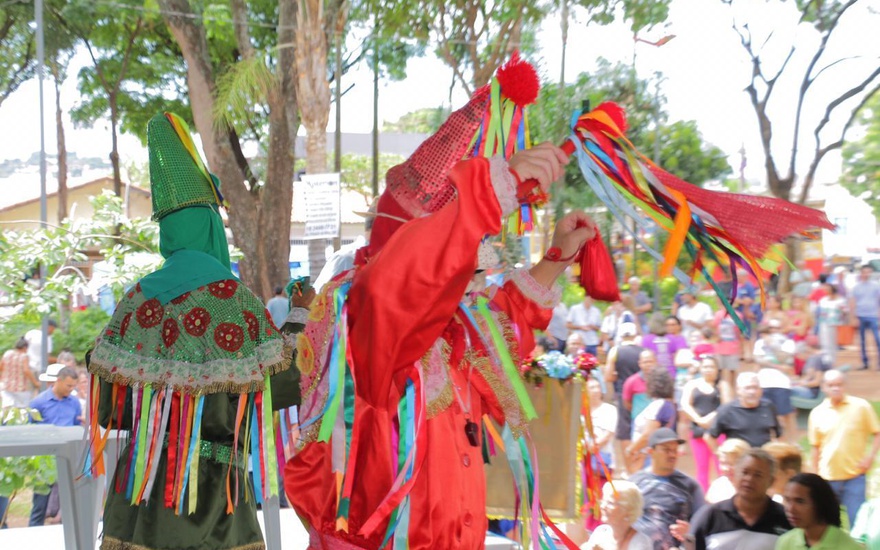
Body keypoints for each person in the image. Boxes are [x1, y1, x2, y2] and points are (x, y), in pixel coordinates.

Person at [284, 69, 597, 546]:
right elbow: (404, 283)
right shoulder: (363, 314)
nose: (469, 263)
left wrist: (555, 259)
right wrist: (493, 189)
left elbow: (504, 323)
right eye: (461, 247)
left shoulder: (454, 328)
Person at [85, 112, 301, 550]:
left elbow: (107, 407)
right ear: (209, 227)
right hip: (215, 504)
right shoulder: (235, 301)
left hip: (140, 499)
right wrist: (297, 318)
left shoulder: (136, 301)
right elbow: (280, 388)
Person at [808, 369, 880, 527]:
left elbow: (877, 433)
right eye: (831, 385)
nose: (835, 388)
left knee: (859, 524)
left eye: (839, 384)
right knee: (828, 526)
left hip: (854, 477)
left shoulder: (861, 407)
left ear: (845, 386)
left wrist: (870, 458)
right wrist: (814, 476)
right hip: (827, 478)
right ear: (824, 387)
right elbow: (815, 447)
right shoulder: (817, 413)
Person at [687, 448, 791, 550]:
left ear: (771, 481)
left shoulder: (785, 519)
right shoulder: (710, 516)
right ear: (734, 475)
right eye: (745, 472)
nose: (749, 479)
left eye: (758, 475)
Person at [629, 428, 704, 550]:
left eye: (675, 450)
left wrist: (689, 531)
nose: (672, 455)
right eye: (666, 450)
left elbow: (703, 525)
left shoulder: (690, 486)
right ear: (651, 451)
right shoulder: (634, 483)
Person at [27, 364, 81, 527]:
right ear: (58, 381)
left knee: (69, 505)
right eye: (69, 385)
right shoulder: (38, 402)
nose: (71, 389)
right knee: (40, 505)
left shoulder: (74, 403)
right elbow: (31, 430)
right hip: (45, 461)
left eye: (74, 386)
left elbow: (75, 425)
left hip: (68, 458)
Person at [680, 356, 733, 492]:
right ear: (700, 368)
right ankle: (703, 500)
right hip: (698, 431)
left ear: (717, 369)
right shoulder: (692, 385)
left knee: (722, 465)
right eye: (705, 367)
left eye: (711, 367)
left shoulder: (722, 385)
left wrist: (711, 418)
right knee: (702, 468)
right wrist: (699, 420)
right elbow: (685, 405)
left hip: (718, 432)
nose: (708, 370)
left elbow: (727, 405)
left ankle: (725, 495)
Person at [776, 472, 862, 549]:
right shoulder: (786, 541)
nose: (790, 509)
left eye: (800, 501)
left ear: (819, 503)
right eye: (787, 500)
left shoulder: (849, 547)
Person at [706, 372, 782, 450]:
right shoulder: (727, 410)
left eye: (755, 387)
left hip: (764, 459)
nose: (752, 392)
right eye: (747, 388)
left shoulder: (768, 407)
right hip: (739, 460)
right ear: (738, 390)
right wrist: (721, 455)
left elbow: (780, 434)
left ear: (761, 390)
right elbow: (709, 437)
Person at [583, 376, 619, 531]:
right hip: (584, 458)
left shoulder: (609, 410)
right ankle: (588, 526)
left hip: (602, 459)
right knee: (587, 493)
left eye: (598, 387)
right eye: (592, 388)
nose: (596, 391)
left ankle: (601, 526)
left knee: (602, 492)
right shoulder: (581, 411)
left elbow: (609, 433)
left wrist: (594, 445)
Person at [627, 369, 677, 473]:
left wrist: (631, 450)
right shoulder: (669, 405)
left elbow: (648, 435)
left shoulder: (658, 405)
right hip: (653, 453)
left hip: (646, 455)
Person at [753, 322, 796, 441]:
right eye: (771, 328)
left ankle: (789, 441)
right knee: (764, 414)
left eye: (777, 328)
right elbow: (758, 360)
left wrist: (773, 345)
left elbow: (785, 358)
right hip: (764, 382)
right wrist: (778, 366)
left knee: (784, 415)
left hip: (781, 383)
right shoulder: (759, 343)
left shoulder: (788, 343)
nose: (773, 331)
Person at [581, 481, 652, 550]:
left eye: (610, 503)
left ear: (627, 509)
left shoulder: (640, 542)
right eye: (603, 501)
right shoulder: (601, 532)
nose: (603, 506)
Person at [620, 348, 656, 473]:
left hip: (657, 424)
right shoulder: (631, 381)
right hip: (639, 426)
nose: (648, 364)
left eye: (651, 361)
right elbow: (627, 402)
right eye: (645, 362)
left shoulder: (660, 381)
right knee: (639, 454)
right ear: (639, 363)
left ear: (655, 362)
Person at [849, 264, 880, 370]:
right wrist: (853, 317)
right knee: (861, 341)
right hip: (860, 315)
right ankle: (864, 362)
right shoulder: (856, 287)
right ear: (861, 273)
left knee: (877, 339)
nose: (867, 274)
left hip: (873, 316)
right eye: (865, 272)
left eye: (869, 272)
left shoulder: (876, 286)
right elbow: (853, 302)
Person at [641, 313, 688, 380]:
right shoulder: (672, 338)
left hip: (653, 374)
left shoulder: (646, 339)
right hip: (671, 374)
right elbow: (678, 356)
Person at [705, 438, 752, 504]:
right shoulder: (719, 484)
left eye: (732, 464)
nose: (726, 468)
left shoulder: (753, 486)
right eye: (722, 463)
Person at [0, 337, 39, 407]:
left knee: (7, 409)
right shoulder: (24, 356)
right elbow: (26, 370)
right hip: (21, 388)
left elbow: (1, 367)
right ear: (25, 347)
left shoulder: (7, 354)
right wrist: (35, 383)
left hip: (6, 387)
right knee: (23, 409)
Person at [816, 283, 847, 363]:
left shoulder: (840, 300)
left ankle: (831, 360)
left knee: (832, 342)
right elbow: (819, 312)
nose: (826, 290)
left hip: (834, 324)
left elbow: (845, 312)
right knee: (824, 341)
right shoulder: (823, 300)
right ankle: (825, 359)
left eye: (828, 289)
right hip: (823, 323)